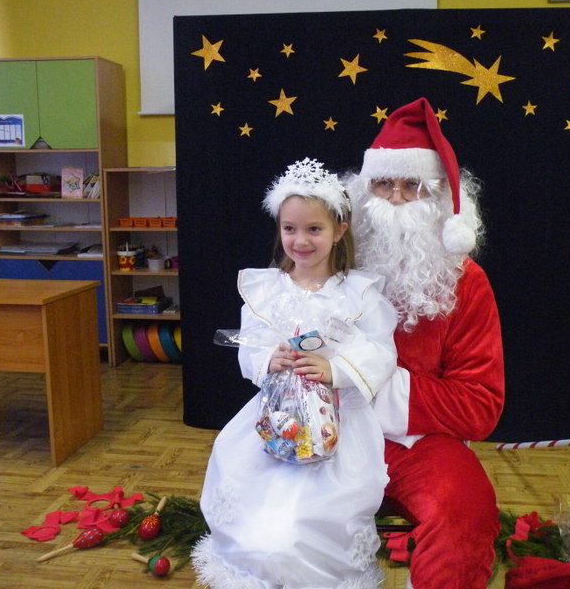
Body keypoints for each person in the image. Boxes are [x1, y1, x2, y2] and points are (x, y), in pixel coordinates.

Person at [192, 157, 398, 589]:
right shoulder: (267, 290)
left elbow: (382, 352)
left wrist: (335, 368)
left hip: (338, 424)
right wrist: (270, 358)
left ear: (339, 231)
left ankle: (312, 562)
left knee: (311, 514)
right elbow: (250, 345)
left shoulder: (358, 293)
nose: (300, 240)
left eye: (314, 229)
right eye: (290, 228)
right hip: (277, 416)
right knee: (255, 497)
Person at [344, 97, 506, 589]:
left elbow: (479, 405)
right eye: (382, 184)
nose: (395, 198)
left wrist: (370, 384)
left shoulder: (466, 281)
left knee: (464, 514)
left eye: (412, 185)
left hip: (417, 444)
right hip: (330, 432)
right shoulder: (331, 259)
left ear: (439, 197)